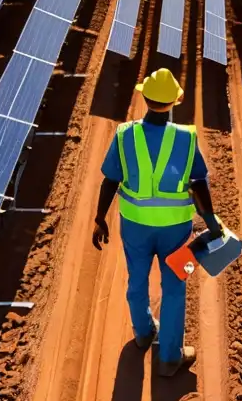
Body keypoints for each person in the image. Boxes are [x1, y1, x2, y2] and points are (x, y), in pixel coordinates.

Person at [91, 68, 222, 377]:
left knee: (136, 279)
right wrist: (211, 222)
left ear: (145, 98)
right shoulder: (187, 138)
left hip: (134, 226)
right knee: (176, 286)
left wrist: (99, 218)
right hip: (177, 230)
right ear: (174, 102)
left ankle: (143, 332)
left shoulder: (125, 134)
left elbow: (110, 180)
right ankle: (170, 357)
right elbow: (199, 184)